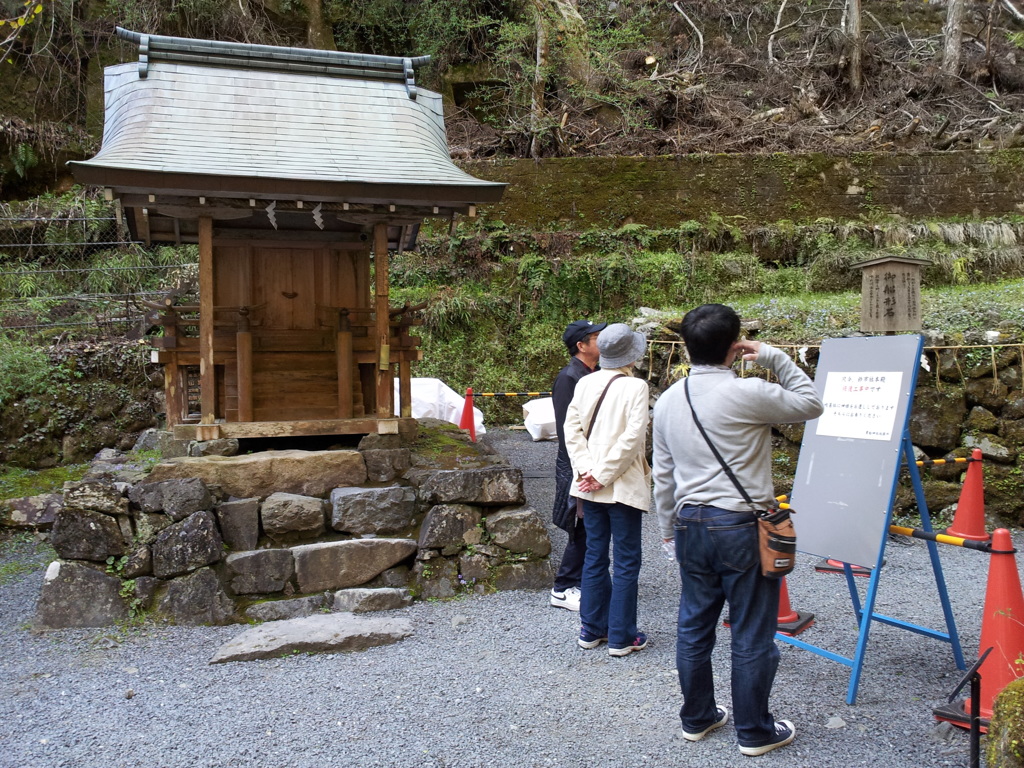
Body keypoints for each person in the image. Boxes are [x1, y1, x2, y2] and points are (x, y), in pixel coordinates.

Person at [652, 303, 822, 756]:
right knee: (749, 631)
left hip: (690, 524)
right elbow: (811, 403)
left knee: (693, 625)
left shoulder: (668, 401)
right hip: (740, 526)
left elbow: (663, 476)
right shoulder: (747, 393)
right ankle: (754, 731)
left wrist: (667, 530)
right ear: (734, 346)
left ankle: (698, 718)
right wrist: (772, 357)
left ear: (686, 346)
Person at [564, 323, 651, 656]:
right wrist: (602, 474)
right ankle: (621, 636)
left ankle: (591, 629)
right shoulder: (636, 387)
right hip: (621, 486)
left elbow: (571, 431)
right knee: (626, 562)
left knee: (595, 556)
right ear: (632, 354)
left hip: (588, 486)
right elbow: (633, 439)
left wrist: (588, 471)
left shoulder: (585, 382)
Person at [549, 320, 607, 611]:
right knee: (580, 524)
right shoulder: (569, 377)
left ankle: (583, 581)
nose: (601, 340)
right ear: (581, 346)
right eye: (596, 337)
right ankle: (562, 587)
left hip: (590, 460)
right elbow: (567, 430)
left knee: (591, 523)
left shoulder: (593, 373)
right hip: (577, 462)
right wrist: (582, 466)